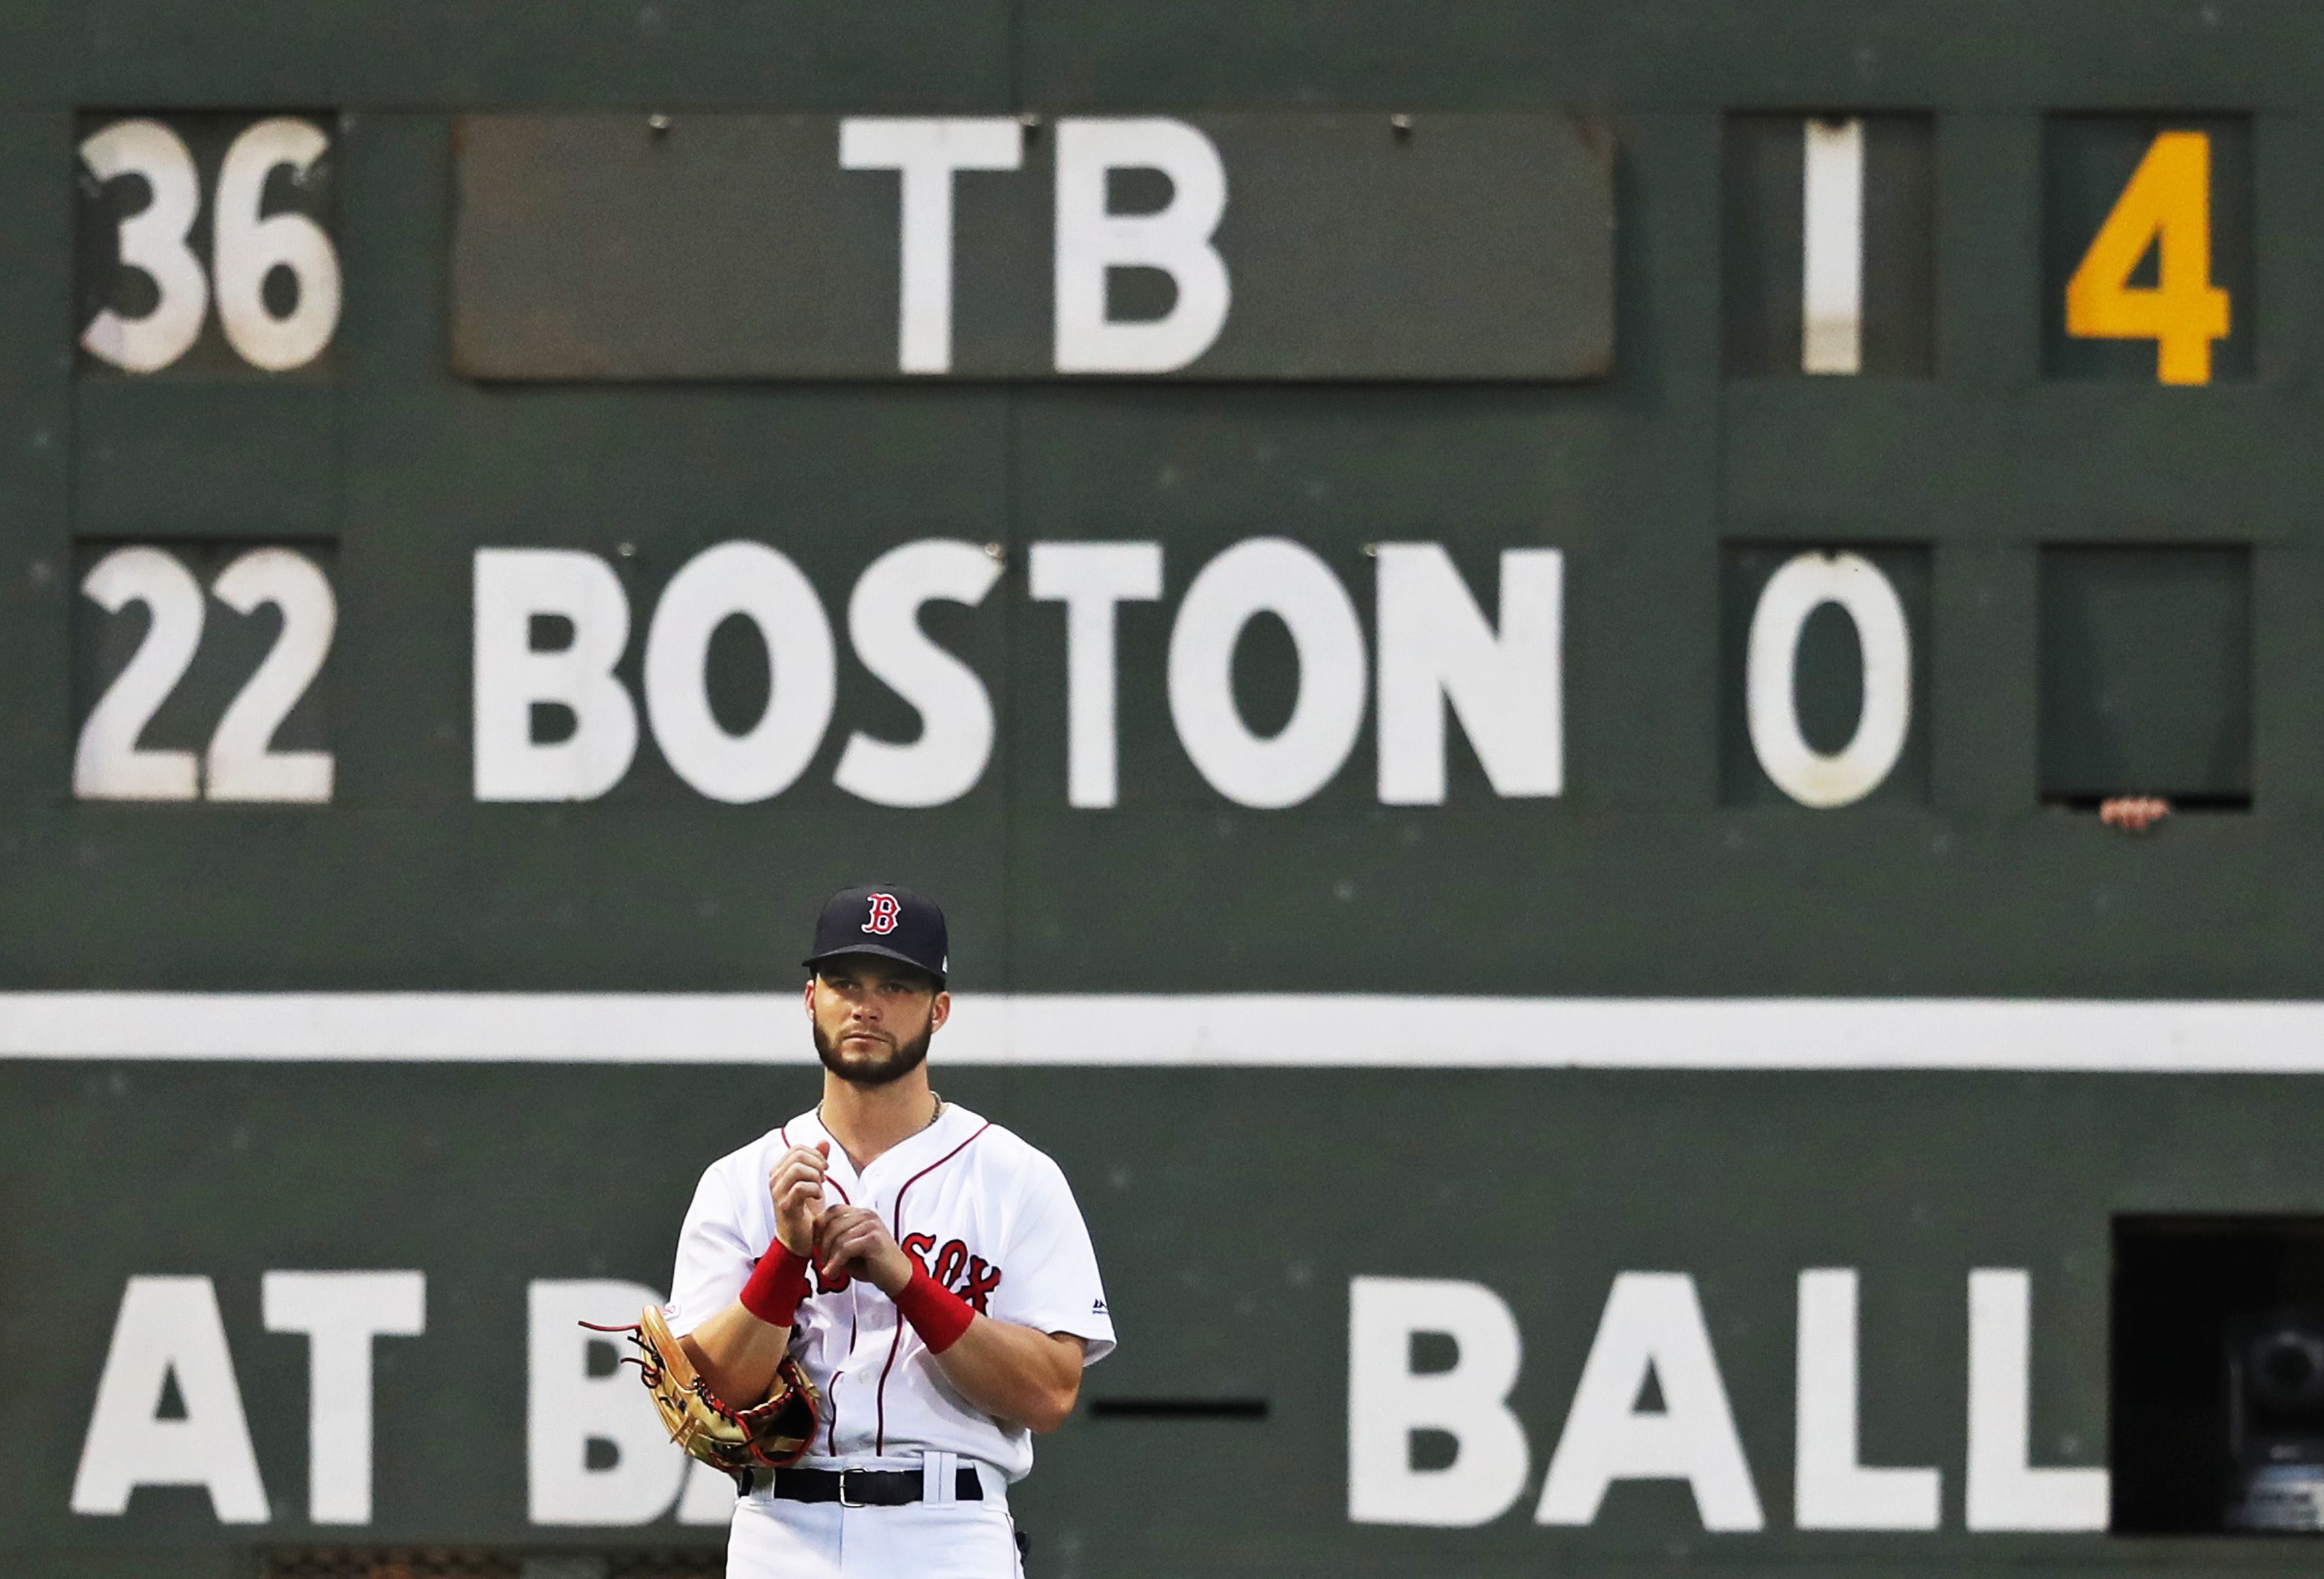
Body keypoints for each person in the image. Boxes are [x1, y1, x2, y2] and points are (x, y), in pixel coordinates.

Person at [665, 884, 1115, 1578]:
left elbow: (1049, 1394)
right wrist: (785, 1258)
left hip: (949, 1525)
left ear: (939, 1009)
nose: (865, 1006)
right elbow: (712, 1394)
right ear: (810, 997)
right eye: (843, 981)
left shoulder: (1015, 1175)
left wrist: (907, 1281)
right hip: (782, 1526)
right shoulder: (739, 1180)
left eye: (896, 985)